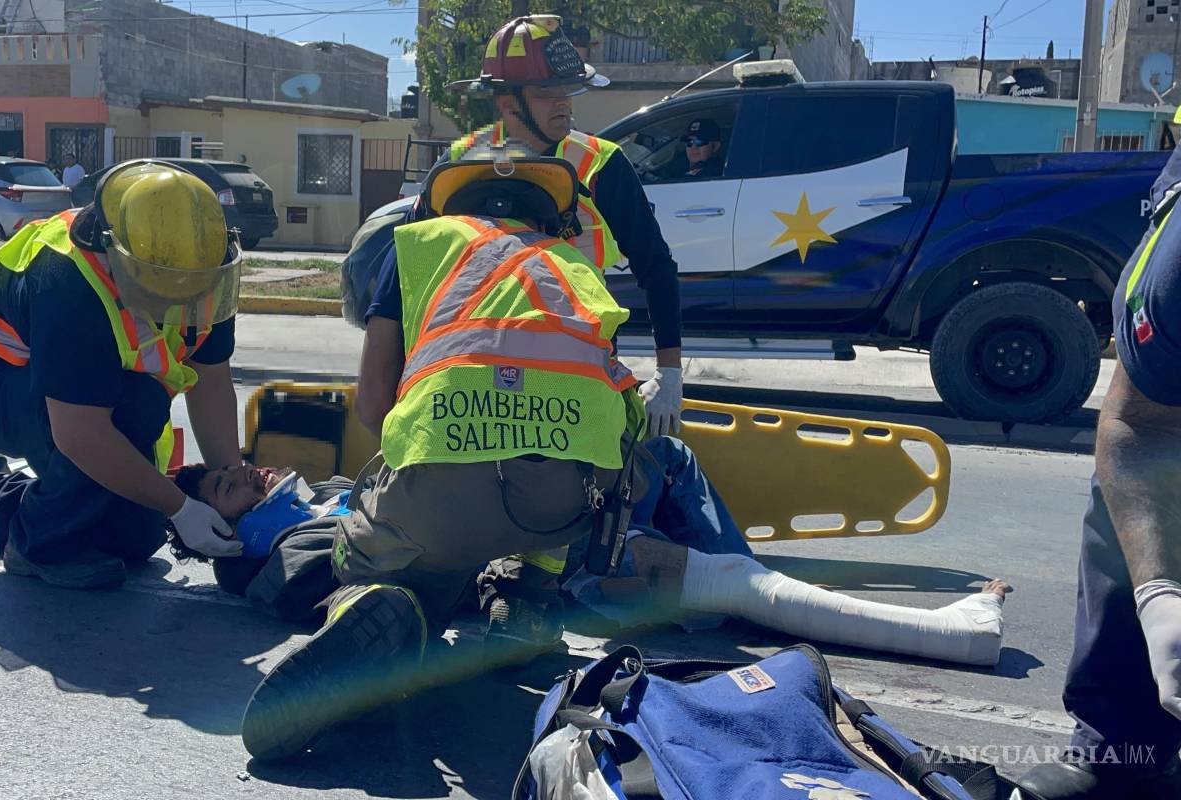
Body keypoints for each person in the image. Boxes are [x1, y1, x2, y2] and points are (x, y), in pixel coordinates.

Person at [238, 137, 649, 761]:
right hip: (564, 508)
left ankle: (379, 606)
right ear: (549, 217)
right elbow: (618, 413)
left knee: (374, 550)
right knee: (556, 476)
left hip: (444, 500)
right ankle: (526, 604)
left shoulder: (417, 251)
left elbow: (374, 409)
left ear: (444, 209)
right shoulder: (576, 267)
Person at [169, 440, 1010, 674]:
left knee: (668, 459)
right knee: (716, 571)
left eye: (238, 467)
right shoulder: (272, 543)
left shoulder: (324, 497)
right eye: (227, 487)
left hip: (526, 549)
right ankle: (736, 590)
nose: (244, 471)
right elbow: (299, 583)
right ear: (219, 528)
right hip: (549, 560)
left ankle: (728, 591)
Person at [390, 13, 685, 643]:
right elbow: (409, 277)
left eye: (569, 93)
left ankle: (527, 590)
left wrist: (670, 372)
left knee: (562, 477)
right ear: (506, 101)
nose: (565, 107)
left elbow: (657, 265)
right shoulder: (458, 166)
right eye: (551, 94)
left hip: (568, 367)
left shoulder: (600, 165)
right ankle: (456, 579)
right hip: (472, 364)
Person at [0, 160, 245, 590]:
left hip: (77, 397)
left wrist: (231, 480)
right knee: (139, 402)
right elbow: (81, 434)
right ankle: (37, 544)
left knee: (134, 538)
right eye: (166, 282)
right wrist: (178, 506)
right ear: (118, 254)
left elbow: (211, 383)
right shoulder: (67, 281)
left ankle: (3, 497)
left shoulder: (203, 267)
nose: (184, 296)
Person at [1019, 148, 1181, 800]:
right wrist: (1161, 594)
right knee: (1140, 499)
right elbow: (1142, 424)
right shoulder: (1172, 279)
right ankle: (1124, 750)